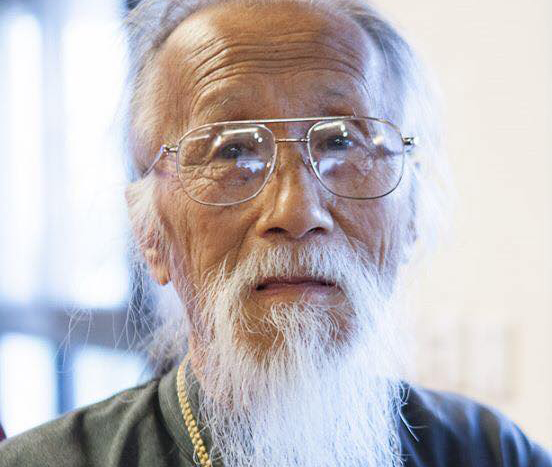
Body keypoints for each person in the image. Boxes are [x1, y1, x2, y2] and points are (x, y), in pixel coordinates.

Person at [0, 0, 550, 466]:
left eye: (341, 141)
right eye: (232, 150)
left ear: (409, 218)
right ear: (151, 234)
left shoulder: (491, 451)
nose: (297, 208)